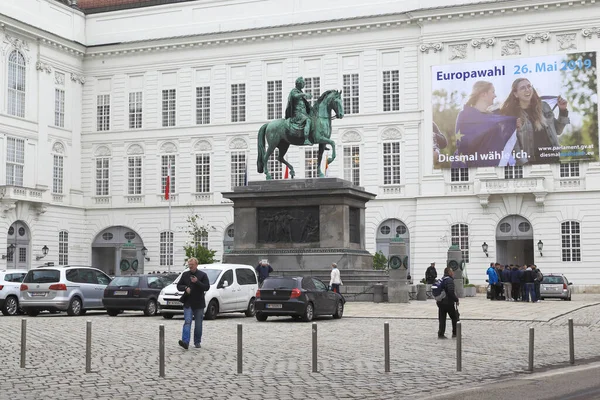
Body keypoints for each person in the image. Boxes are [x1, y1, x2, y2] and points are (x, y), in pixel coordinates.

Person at [500, 78, 569, 164]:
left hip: (553, 159)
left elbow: (558, 131)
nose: (527, 89)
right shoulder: (511, 115)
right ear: (515, 94)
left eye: (529, 86)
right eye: (523, 88)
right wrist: (524, 163)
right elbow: (513, 145)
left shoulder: (544, 106)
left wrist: (563, 111)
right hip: (531, 163)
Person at [453, 81, 518, 168]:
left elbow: (498, 143)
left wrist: (513, 125)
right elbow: (464, 144)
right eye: (493, 92)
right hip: (472, 167)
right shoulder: (465, 115)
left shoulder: (493, 117)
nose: (495, 96)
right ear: (483, 94)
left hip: (493, 168)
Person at [177, 257, 210, 350]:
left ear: (196, 265)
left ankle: (197, 342)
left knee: (198, 324)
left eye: (192, 265)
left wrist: (197, 282)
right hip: (188, 302)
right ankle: (185, 342)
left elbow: (206, 287)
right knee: (187, 321)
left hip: (199, 303)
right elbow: (178, 286)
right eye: (189, 265)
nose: (190, 266)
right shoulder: (185, 274)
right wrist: (185, 288)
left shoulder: (202, 275)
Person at [284, 76, 313, 145]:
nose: (304, 84)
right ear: (298, 83)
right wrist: (304, 94)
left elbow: (305, 103)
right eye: (303, 83)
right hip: (297, 113)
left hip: (304, 113)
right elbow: (295, 96)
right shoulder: (294, 91)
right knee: (308, 120)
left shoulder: (300, 92)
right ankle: (306, 139)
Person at [436, 267, 459, 339]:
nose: (453, 273)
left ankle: (441, 333)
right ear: (449, 272)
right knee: (454, 317)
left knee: (442, 318)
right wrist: (456, 299)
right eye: (452, 271)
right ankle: (455, 333)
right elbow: (451, 292)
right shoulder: (449, 280)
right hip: (448, 302)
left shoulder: (442, 279)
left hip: (440, 302)